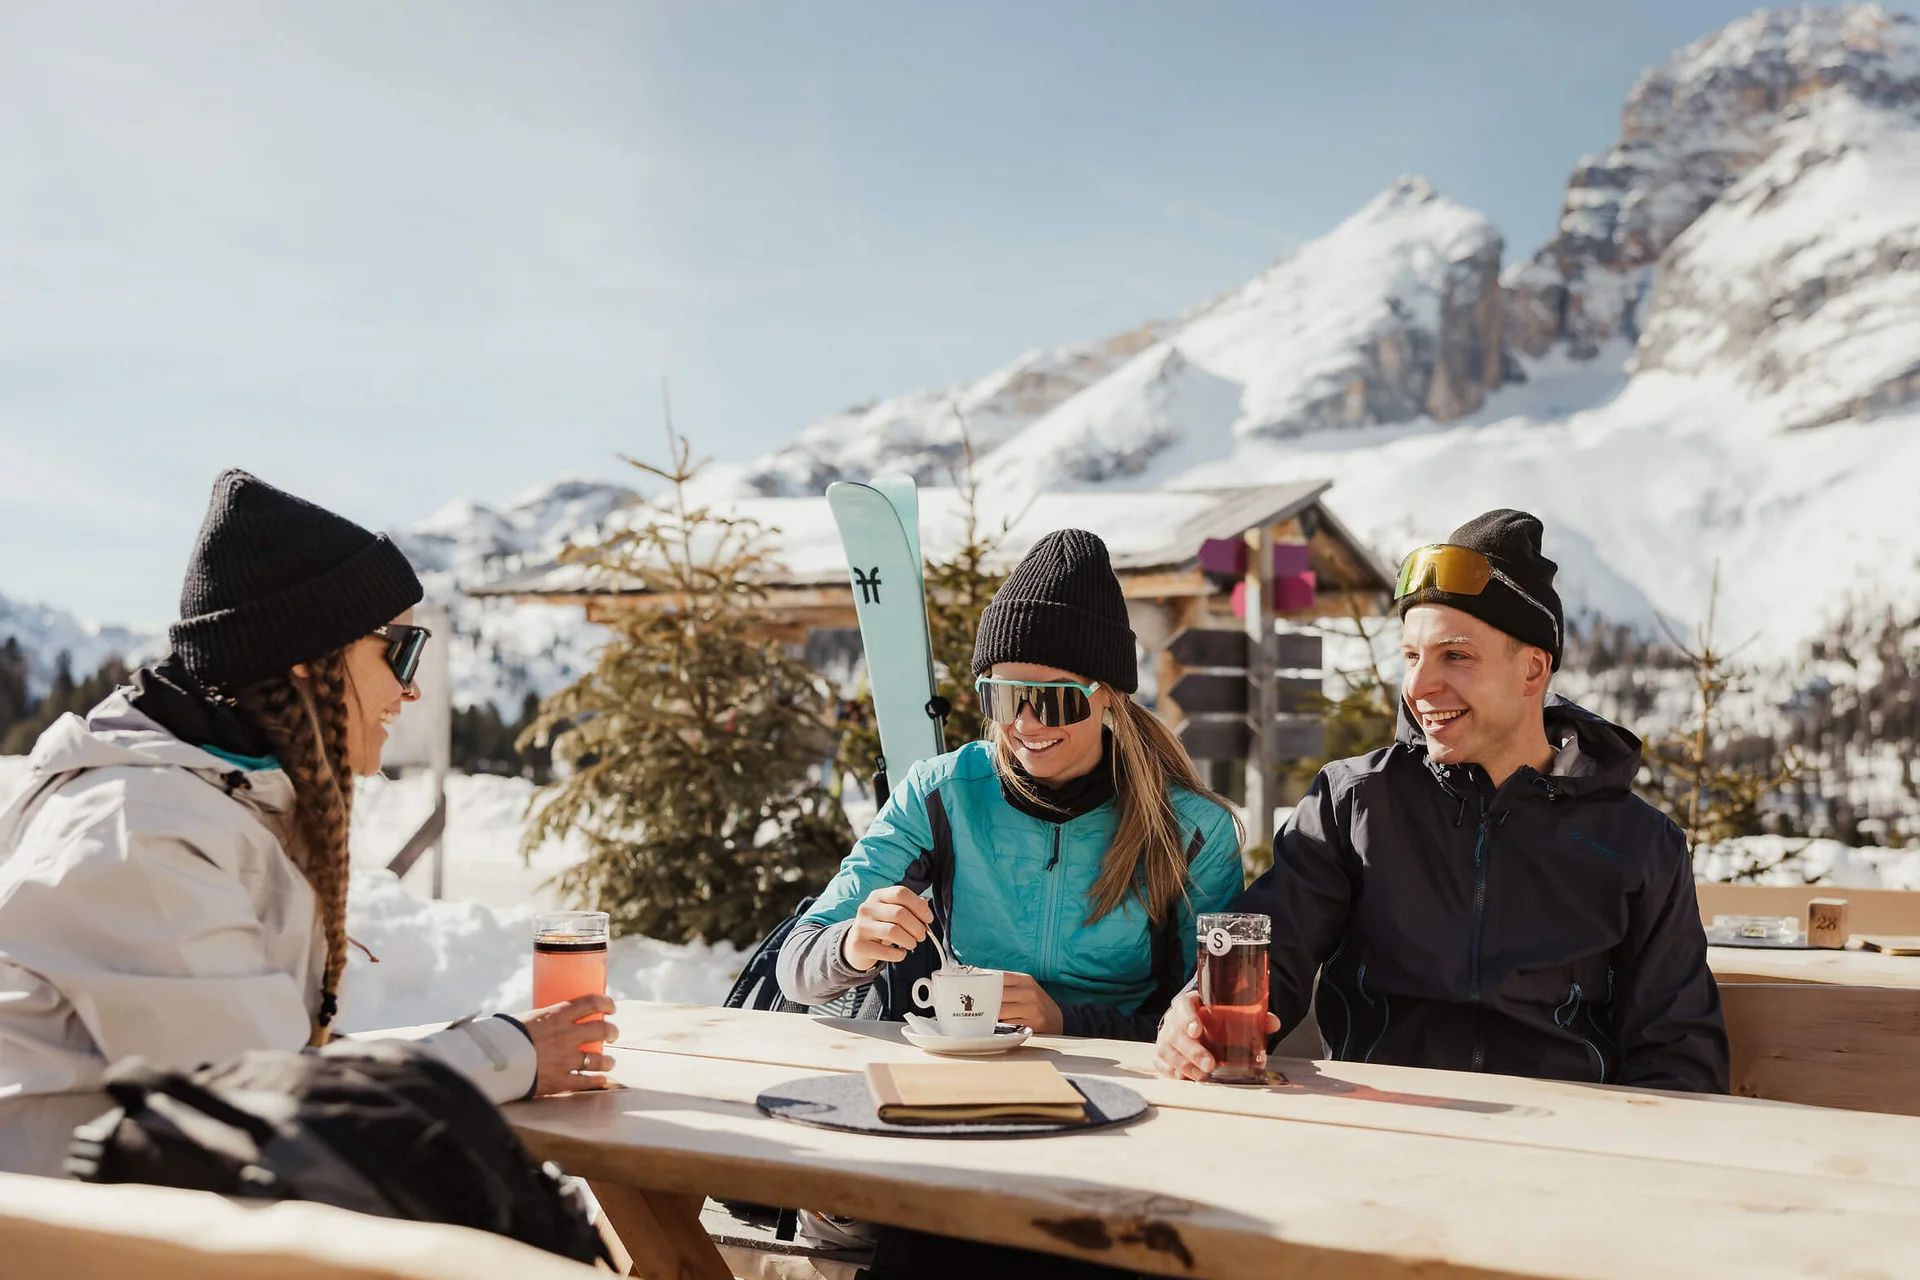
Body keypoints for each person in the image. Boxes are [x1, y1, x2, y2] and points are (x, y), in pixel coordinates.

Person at [0, 470, 617, 1176]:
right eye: (401, 650)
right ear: (305, 658)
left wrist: (494, 1046)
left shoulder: (219, 804)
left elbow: (276, 1065)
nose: (411, 687)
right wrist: (503, 1054)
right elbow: (271, 1101)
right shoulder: (137, 831)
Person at [1154, 509, 1729, 1092]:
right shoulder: (1354, 804)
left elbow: (1677, 1050)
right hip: (1384, 1129)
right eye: (1411, 656)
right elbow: (1273, 952)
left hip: (1562, 1149)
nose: (1420, 685)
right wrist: (1196, 1017)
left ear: (1533, 670)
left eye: (1455, 656)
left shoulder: (1636, 843)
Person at [778, 528, 1244, 1040]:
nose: (1026, 724)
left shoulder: (1192, 829)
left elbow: (1213, 1012)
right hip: (967, 1067)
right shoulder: (942, 794)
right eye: (1002, 697)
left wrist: (1066, 1022)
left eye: (1055, 699)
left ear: (1109, 696)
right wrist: (851, 944)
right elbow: (797, 966)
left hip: (1131, 1083)